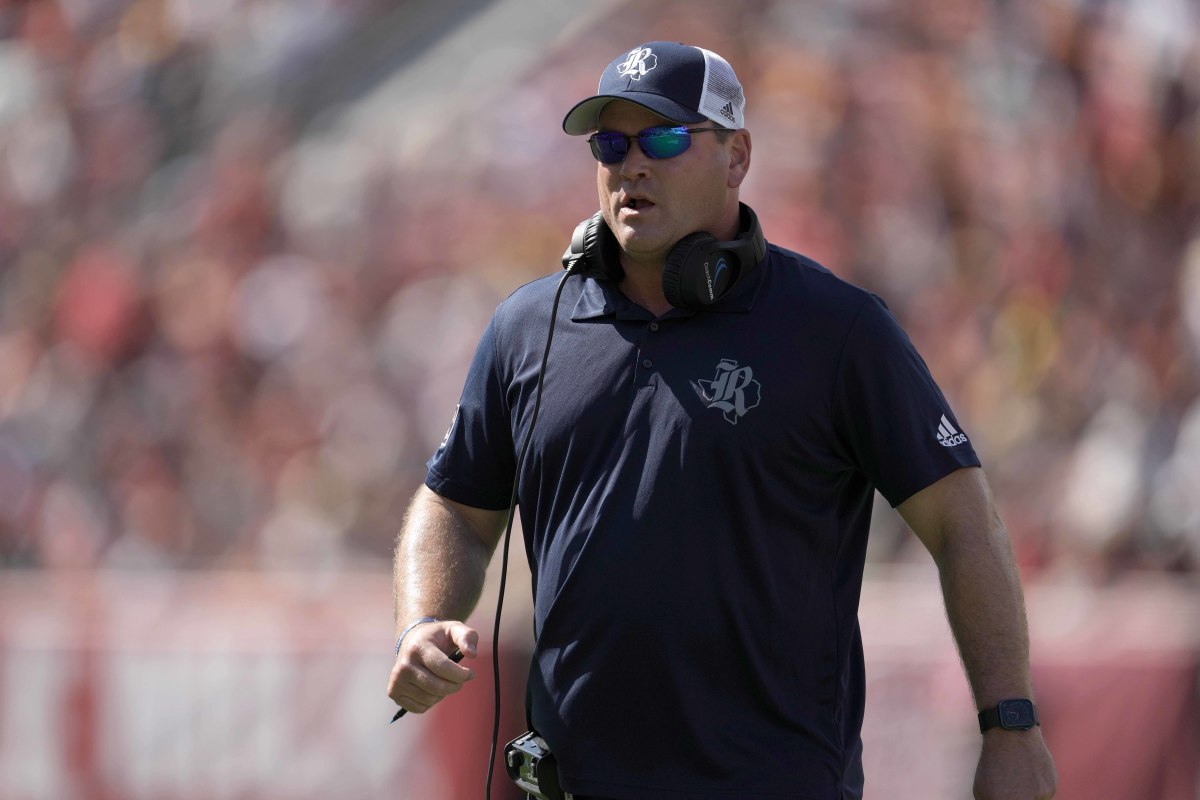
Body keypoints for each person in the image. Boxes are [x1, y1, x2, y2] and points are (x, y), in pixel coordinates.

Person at [386, 41, 1057, 800]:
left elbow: (963, 522)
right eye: (612, 144)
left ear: (736, 157)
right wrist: (421, 622)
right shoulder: (526, 327)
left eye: (665, 138)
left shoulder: (835, 330)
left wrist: (1010, 725)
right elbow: (455, 507)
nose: (633, 165)